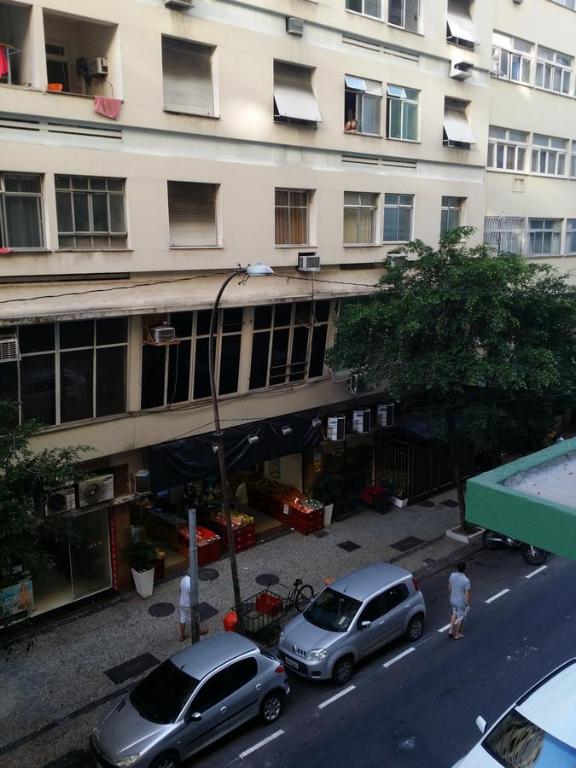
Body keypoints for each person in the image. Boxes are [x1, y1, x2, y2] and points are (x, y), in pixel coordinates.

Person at [179, 573, 208, 641]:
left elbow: (180, 590)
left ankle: (182, 636)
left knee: (183, 618)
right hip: (188, 604)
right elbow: (192, 596)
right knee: (195, 617)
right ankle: (199, 631)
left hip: (182, 602)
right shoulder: (191, 583)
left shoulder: (183, 579)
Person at [448, 562, 471, 640]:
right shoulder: (466, 580)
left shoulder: (452, 575)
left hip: (452, 599)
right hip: (460, 601)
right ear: (464, 569)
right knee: (460, 617)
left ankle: (450, 630)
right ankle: (457, 634)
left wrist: (452, 594)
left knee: (454, 613)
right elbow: (467, 594)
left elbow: (449, 587)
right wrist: (467, 604)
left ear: (457, 568)